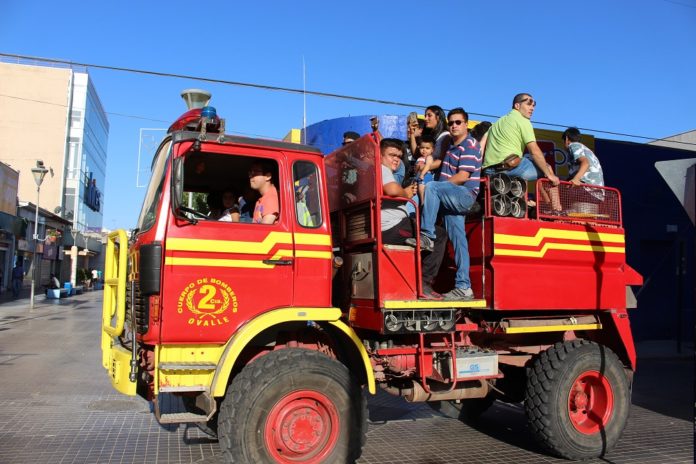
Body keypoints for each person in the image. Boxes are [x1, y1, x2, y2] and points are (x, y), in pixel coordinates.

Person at [408, 108, 482, 301]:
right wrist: (425, 169)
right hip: (451, 198)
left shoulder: (470, 144)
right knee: (459, 242)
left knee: (431, 187)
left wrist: (435, 188)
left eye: (458, 122)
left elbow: (462, 177)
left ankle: (427, 236)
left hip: (464, 195)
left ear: (466, 124)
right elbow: (436, 160)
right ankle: (464, 287)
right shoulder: (450, 145)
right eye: (451, 123)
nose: (454, 125)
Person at [379, 138, 447, 300]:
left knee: (424, 233)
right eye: (391, 155)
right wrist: (407, 193)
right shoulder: (381, 168)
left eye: (399, 156)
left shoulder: (372, 171)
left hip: (388, 225)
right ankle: (424, 283)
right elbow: (392, 190)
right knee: (438, 235)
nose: (396, 159)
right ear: (380, 156)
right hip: (393, 226)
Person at [482, 93, 560, 186]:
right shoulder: (523, 120)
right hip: (510, 167)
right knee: (547, 168)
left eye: (533, 105)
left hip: (489, 172)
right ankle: (555, 201)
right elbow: (534, 151)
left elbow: (480, 148)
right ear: (517, 106)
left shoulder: (495, 124)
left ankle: (524, 199)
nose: (532, 108)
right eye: (528, 104)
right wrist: (550, 175)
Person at [249, 160, 279, 224]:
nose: (250, 175)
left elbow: (264, 230)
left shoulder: (271, 198)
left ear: (268, 176)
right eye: (250, 172)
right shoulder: (263, 198)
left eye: (255, 172)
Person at [414, 134, 436, 202]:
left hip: (426, 175)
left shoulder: (429, 157)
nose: (424, 150)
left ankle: (423, 202)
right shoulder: (419, 158)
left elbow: (428, 166)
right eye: (422, 148)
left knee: (421, 187)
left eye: (427, 148)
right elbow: (416, 170)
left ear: (432, 149)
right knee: (417, 189)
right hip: (419, 177)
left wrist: (422, 174)